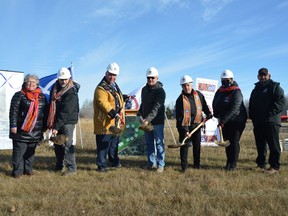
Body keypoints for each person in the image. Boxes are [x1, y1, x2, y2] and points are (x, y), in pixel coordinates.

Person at [9, 74, 47, 178]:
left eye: (33, 82)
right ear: (25, 83)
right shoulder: (19, 95)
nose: (31, 84)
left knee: (30, 152)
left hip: (36, 130)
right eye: (29, 82)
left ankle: (28, 170)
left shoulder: (42, 96)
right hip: (21, 129)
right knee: (19, 152)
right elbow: (13, 112)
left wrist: (44, 127)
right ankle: (17, 172)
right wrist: (13, 125)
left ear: (37, 84)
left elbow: (45, 112)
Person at [249, 68, 285, 174]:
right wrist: (252, 116)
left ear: (269, 75)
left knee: (273, 145)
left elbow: (280, 102)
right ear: (258, 76)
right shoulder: (255, 89)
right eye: (260, 75)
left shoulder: (275, 87)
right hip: (258, 122)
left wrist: (269, 113)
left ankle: (274, 166)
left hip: (271, 121)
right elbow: (251, 104)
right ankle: (261, 164)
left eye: (264, 75)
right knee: (260, 144)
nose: (262, 77)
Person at [93, 62, 127, 172]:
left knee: (113, 145)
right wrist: (114, 113)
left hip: (115, 122)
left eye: (115, 75)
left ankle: (114, 162)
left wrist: (124, 97)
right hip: (105, 122)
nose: (112, 77)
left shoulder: (114, 86)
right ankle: (101, 166)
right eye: (110, 74)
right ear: (106, 73)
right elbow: (103, 103)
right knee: (103, 146)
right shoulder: (101, 88)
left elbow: (115, 99)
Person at [175, 75, 212, 172]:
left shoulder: (198, 95)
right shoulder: (179, 100)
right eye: (183, 86)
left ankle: (197, 165)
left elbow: (204, 106)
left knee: (197, 146)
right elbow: (179, 117)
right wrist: (185, 130)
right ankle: (184, 167)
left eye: (188, 85)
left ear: (191, 85)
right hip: (184, 126)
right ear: (181, 87)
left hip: (197, 125)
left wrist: (208, 113)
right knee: (184, 147)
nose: (186, 88)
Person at [48, 67, 80, 176]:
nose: (63, 81)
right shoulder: (55, 88)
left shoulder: (71, 91)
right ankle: (59, 166)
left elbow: (66, 111)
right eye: (61, 79)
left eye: (65, 79)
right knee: (58, 143)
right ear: (58, 79)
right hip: (58, 120)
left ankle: (72, 168)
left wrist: (56, 127)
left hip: (68, 122)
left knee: (68, 144)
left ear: (69, 78)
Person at [212, 69, 247, 171]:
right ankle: (228, 162)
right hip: (225, 121)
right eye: (223, 80)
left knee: (234, 141)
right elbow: (215, 102)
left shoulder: (236, 92)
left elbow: (235, 109)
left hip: (237, 120)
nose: (224, 82)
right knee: (227, 142)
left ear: (231, 80)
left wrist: (223, 120)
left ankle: (233, 164)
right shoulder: (220, 91)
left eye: (226, 80)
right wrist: (216, 113)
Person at [138, 67, 166, 173]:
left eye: (152, 78)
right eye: (148, 78)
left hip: (157, 122)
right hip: (146, 121)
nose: (150, 79)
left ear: (157, 78)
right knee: (149, 143)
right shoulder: (144, 90)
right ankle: (151, 163)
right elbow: (143, 103)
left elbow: (156, 107)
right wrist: (140, 112)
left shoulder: (160, 91)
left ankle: (160, 164)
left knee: (159, 143)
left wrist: (147, 119)